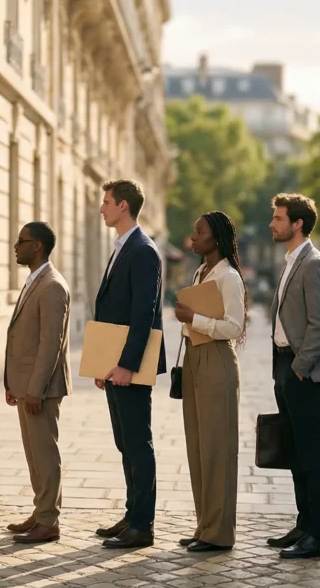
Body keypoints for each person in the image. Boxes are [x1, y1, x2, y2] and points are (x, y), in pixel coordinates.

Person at [93, 179, 165, 549]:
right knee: (125, 442)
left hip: (131, 367)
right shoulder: (123, 247)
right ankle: (131, 514)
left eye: (106, 202)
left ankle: (143, 525)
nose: (101, 208)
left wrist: (126, 365)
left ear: (123, 206)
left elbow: (143, 314)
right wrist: (103, 362)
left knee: (138, 443)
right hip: (114, 364)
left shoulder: (143, 250)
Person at [266, 193, 320, 560]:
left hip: (301, 370)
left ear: (297, 224)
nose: (272, 224)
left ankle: (318, 535)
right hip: (285, 364)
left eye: (278, 218)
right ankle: (304, 523)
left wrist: (299, 368)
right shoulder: (292, 261)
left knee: (311, 453)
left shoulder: (314, 264)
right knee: (294, 450)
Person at [174, 211, 247, 553]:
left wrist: (194, 318)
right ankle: (204, 525)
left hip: (216, 360)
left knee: (218, 448)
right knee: (198, 446)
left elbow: (234, 326)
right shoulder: (201, 271)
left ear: (215, 238)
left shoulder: (229, 277)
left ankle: (219, 534)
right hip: (193, 358)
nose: (193, 236)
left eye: (199, 232)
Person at [4, 222, 71, 545]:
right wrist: (13, 383)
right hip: (26, 385)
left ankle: (49, 521)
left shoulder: (52, 285)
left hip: (40, 389)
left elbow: (50, 344)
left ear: (38, 246)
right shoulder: (36, 280)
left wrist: (35, 389)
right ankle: (41, 510)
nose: (16, 246)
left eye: (22, 241)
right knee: (34, 454)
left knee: (44, 453)